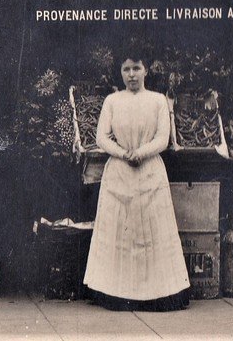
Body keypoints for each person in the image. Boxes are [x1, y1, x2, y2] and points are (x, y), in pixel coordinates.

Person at [83, 52, 191, 311]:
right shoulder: (112, 101)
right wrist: (123, 154)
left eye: (136, 68)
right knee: (121, 230)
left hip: (149, 171)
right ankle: (117, 293)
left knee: (152, 230)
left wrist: (140, 153)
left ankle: (158, 293)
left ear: (146, 71)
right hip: (119, 171)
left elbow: (163, 138)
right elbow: (101, 137)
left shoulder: (157, 100)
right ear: (121, 72)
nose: (131, 75)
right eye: (126, 69)